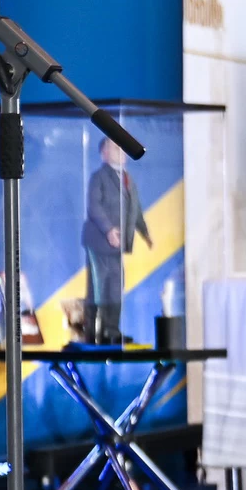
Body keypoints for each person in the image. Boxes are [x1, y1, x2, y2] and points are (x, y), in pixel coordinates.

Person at [82, 136, 150, 344]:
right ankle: (96, 330)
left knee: (115, 286)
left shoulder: (128, 179)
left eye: (122, 148)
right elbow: (94, 207)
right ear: (104, 153)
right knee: (100, 287)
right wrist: (109, 229)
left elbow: (135, 209)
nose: (121, 151)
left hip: (118, 244)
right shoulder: (99, 177)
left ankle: (111, 330)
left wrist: (145, 233)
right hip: (99, 242)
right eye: (114, 147)